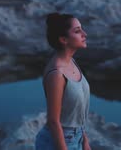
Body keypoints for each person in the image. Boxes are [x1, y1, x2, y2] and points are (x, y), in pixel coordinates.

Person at [35, 12, 91, 150]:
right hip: (58, 142)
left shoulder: (72, 62)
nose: (85, 34)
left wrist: (85, 141)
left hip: (76, 137)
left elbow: (76, 113)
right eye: (77, 31)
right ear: (63, 39)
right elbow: (54, 121)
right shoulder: (56, 74)